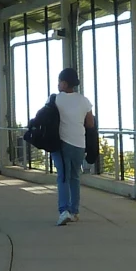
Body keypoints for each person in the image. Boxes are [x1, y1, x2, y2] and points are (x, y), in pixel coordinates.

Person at [51, 68, 95, 226]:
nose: (58, 84)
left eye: (59, 81)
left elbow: (47, 118)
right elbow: (90, 123)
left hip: (62, 143)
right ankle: (75, 211)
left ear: (64, 83)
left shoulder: (56, 99)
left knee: (63, 177)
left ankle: (64, 211)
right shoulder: (84, 100)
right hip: (79, 144)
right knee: (75, 177)